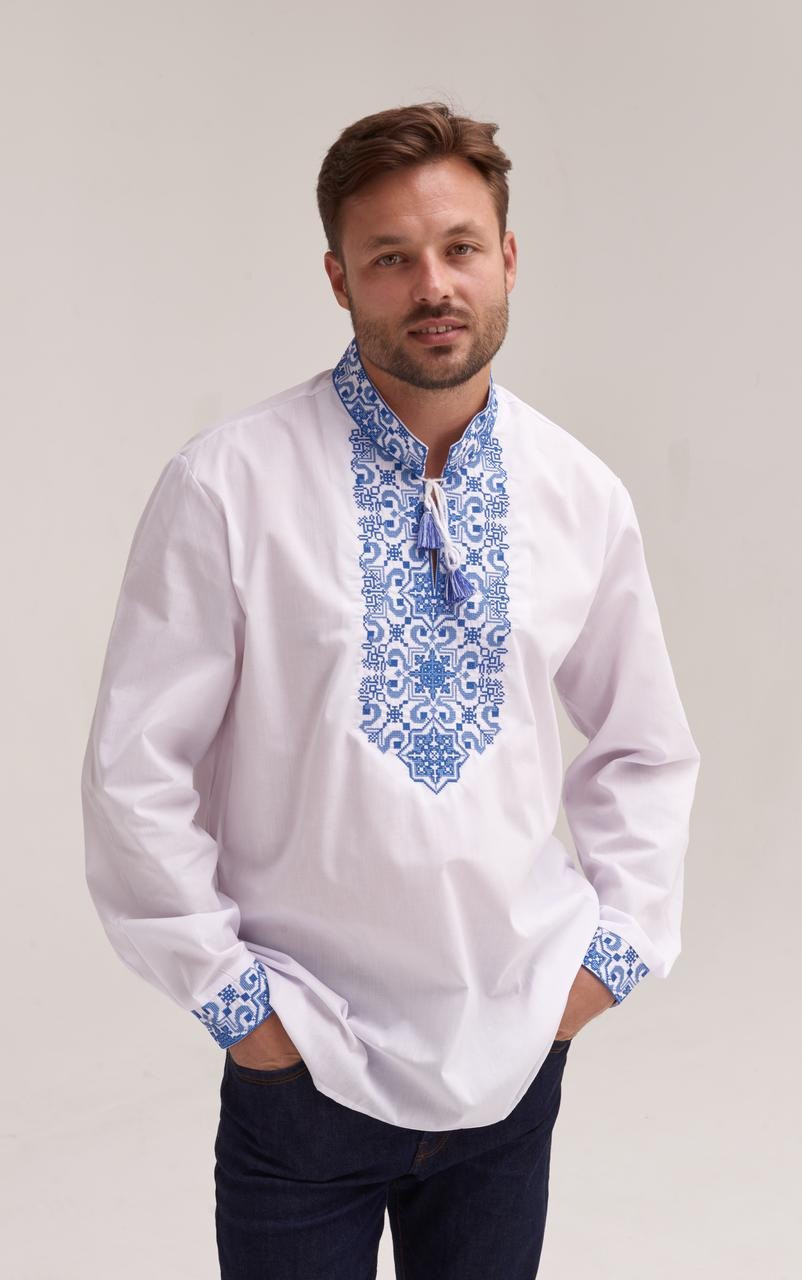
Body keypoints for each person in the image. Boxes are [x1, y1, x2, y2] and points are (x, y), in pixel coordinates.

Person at [81, 101, 701, 1279]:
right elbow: (135, 772)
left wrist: (594, 971)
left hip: (511, 1063)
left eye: (459, 247)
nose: (433, 285)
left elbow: (645, 745)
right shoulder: (227, 486)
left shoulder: (576, 492)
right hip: (303, 1069)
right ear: (338, 278)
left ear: (506, 257)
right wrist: (243, 1013)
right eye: (390, 257)